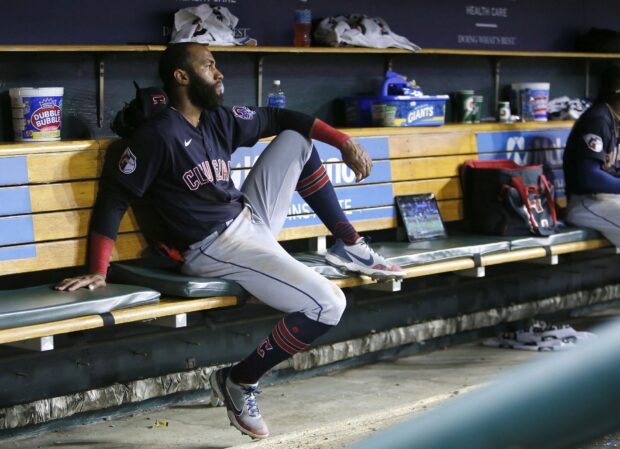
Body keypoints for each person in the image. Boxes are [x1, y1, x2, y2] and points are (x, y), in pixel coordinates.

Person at [55, 42, 404, 439]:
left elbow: (282, 116)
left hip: (249, 219)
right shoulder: (158, 135)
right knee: (328, 305)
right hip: (214, 247)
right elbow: (115, 198)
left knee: (296, 139)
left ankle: (349, 244)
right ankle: (239, 380)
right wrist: (97, 270)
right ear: (181, 77)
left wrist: (343, 141)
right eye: (209, 65)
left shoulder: (216, 119)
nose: (219, 73)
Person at [563, 63, 620, 247]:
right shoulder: (598, 119)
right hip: (587, 203)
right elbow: (588, 177)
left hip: (609, 199)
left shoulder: (614, 119)